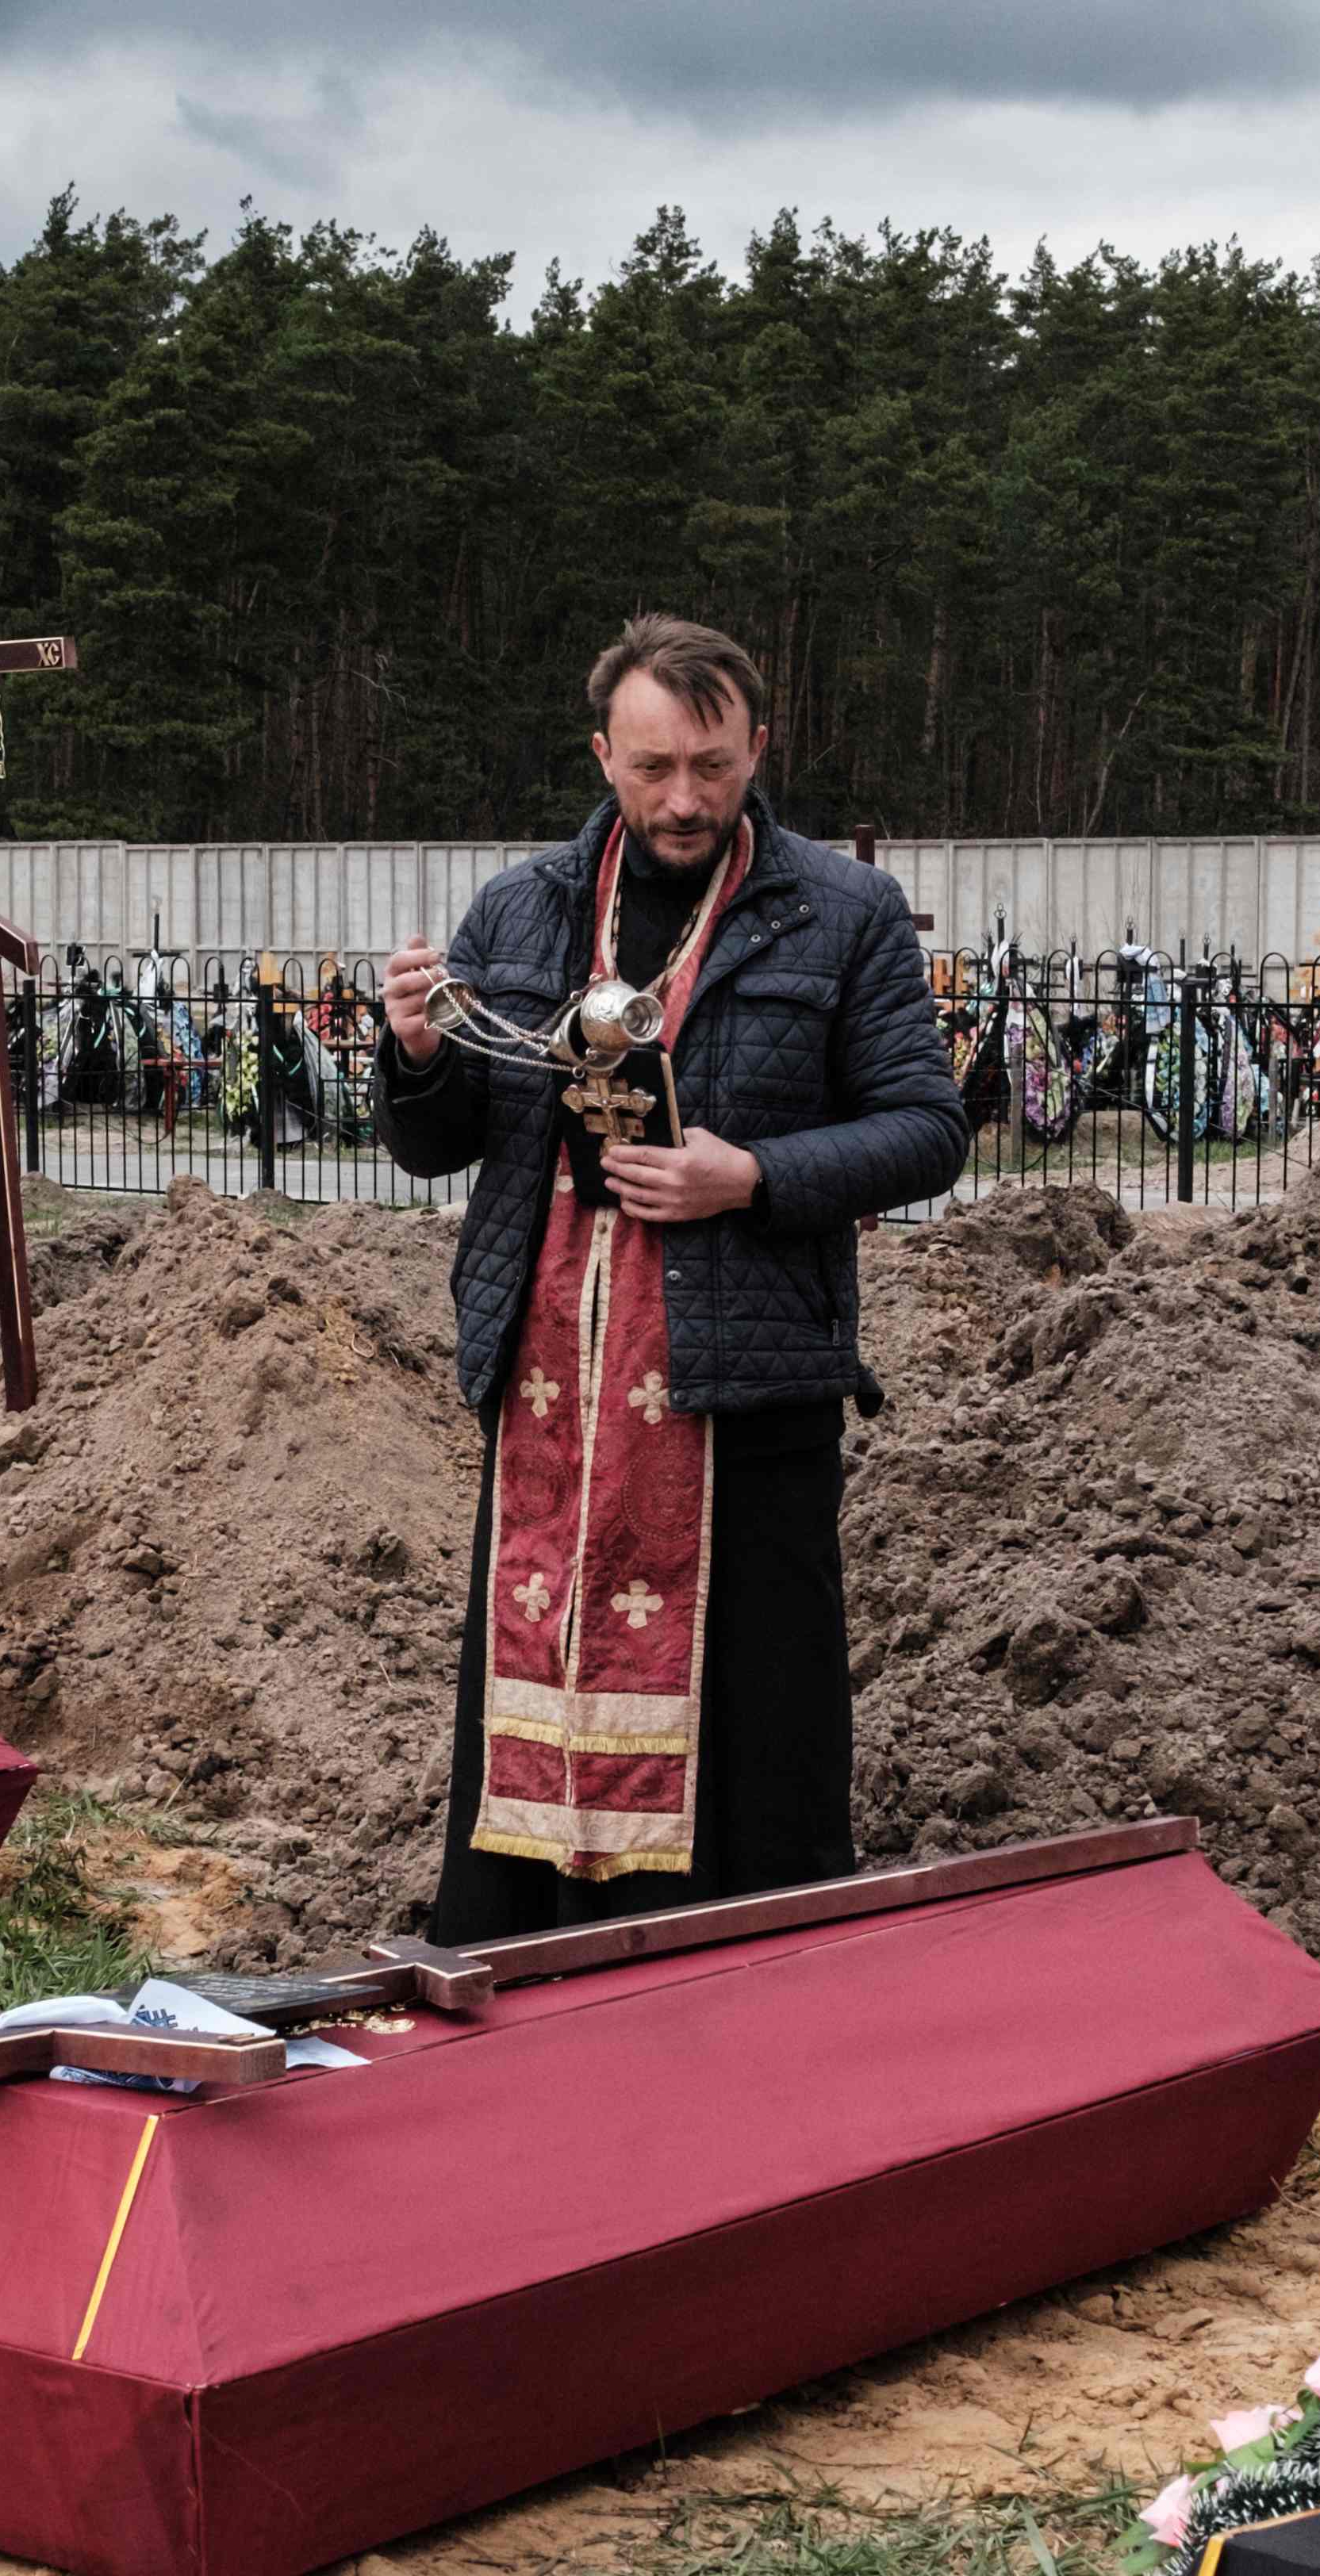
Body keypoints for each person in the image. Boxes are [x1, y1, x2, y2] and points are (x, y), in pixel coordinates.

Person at [373, 615, 966, 1942]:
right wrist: (414, 1050)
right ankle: (523, 1945)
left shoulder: (842, 912)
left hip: (740, 1387)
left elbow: (930, 1130)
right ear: (603, 754)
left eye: (711, 764)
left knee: (755, 1719)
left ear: (760, 746)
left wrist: (746, 1176)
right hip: (549, 1397)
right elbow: (436, 1142)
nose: (684, 799)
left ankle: (746, 1978)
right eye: (652, 769)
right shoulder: (520, 909)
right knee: (537, 1675)